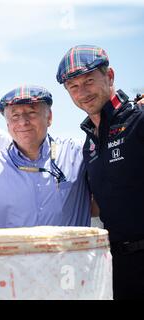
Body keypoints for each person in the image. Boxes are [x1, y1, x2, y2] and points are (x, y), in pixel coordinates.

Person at [57, 45, 144, 299]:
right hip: (118, 267)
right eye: (73, 87)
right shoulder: (89, 143)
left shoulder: (138, 119)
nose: (82, 92)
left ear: (110, 77)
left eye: (89, 81)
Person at [0, 85, 90, 229]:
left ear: (49, 117)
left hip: (70, 251)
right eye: (15, 116)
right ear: (7, 124)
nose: (23, 122)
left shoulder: (77, 154)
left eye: (31, 113)